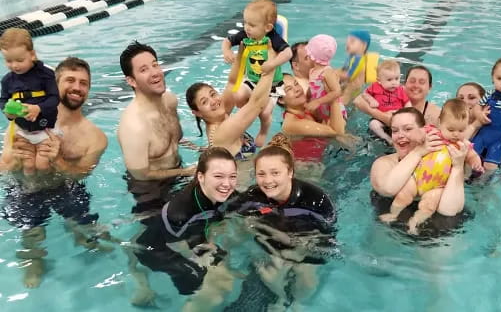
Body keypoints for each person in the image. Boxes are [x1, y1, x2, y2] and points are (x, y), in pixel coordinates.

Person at [0, 57, 110, 288]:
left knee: (88, 234)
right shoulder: (25, 121)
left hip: (65, 187)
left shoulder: (95, 137)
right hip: (26, 187)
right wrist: (18, 158)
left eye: (84, 83)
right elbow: (3, 169)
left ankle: (79, 234)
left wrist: (58, 160)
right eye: (70, 80)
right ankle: (33, 258)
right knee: (32, 237)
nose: (77, 88)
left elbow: (81, 174)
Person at [227, 133, 337, 310]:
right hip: (272, 237)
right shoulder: (253, 196)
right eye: (261, 174)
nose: (268, 181)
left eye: (275, 173)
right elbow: (227, 217)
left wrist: (299, 251)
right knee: (273, 271)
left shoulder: (315, 200)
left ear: (290, 172)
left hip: (306, 240)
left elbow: (328, 239)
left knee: (307, 280)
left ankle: (297, 303)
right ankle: (281, 298)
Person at [130, 147, 239, 310]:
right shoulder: (180, 212)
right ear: (201, 176)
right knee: (209, 292)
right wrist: (211, 265)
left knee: (225, 279)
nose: (227, 184)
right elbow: (180, 247)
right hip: (157, 251)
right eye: (218, 176)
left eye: (232, 177)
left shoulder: (223, 192)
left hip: (187, 238)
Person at [379, 100, 483, 234]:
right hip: (417, 178)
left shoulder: (463, 145)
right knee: (402, 195)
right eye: (451, 129)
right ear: (440, 123)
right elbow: (417, 134)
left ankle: (414, 222)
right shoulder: (432, 133)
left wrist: (476, 162)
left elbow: (473, 156)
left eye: (461, 130)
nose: (456, 134)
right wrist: (416, 136)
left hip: (438, 186)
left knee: (428, 206)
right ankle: (393, 214)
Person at [117, 41, 195, 217]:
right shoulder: (134, 125)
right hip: (150, 191)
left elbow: (174, 139)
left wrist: (198, 149)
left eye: (155, 65)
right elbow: (142, 175)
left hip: (179, 173)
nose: (155, 73)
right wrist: (186, 172)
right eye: (144, 70)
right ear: (131, 81)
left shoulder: (170, 101)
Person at [221, 0, 292, 146]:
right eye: (245, 22)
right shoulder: (246, 34)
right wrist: (226, 51)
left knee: (265, 113)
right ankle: (247, 116)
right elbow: (227, 40)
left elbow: (288, 53)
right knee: (237, 95)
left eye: (252, 25)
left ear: (267, 28)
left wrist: (272, 63)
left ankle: (263, 131)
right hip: (252, 80)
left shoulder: (273, 38)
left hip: (272, 85)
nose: (247, 27)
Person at [0, 28, 60, 175]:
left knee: (42, 164)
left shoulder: (45, 74)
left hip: (46, 129)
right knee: (28, 165)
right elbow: (3, 100)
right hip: (23, 131)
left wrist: (38, 108)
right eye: (8, 61)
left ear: (32, 55)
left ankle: (48, 190)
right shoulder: (7, 80)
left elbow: (55, 98)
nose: (14, 65)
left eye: (20, 60)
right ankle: (30, 191)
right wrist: (8, 113)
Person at [278, 73, 347, 164]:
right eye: (289, 89)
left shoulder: (306, 107)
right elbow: (337, 132)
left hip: (323, 157)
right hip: (306, 172)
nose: (297, 89)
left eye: (296, 84)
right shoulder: (291, 123)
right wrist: (332, 96)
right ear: (281, 100)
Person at [470, 54, 501, 170]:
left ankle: (483, 185)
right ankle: (465, 179)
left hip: (500, 137)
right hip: (484, 133)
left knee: (491, 165)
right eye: (499, 78)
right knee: (470, 157)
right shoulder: (490, 94)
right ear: (493, 78)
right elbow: (478, 106)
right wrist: (479, 114)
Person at [354, 65, 441, 127]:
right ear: (404, 84)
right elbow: (358, 100)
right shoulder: (392, 91)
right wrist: (384, 118)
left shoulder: (435, 114)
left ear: (430, 87)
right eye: (412, 81)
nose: (416, 86)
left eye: (421, 82)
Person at [360, 59, 410, 144]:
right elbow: (364, 94)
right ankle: (387, 138)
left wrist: (407, 113)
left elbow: (407, 103)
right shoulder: (375, 87)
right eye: (389, 80)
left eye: (396, 79)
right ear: (379, 80)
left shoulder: (400, 90)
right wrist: (371, 99)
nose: (394, 83)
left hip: (397, 118)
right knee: (373, 124)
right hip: (380, 119)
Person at [305, 34, 347, 122]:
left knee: (338, 134)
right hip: (323, 111)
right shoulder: (312, 71)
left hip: (335, 112)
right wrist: (307, 97)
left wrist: (318, 101)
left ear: (312, 56)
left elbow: (337, 91)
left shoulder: (327, 72)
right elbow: (312, 87)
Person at [340, 29, 371, 105]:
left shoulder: (358, 59)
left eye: (352, 41)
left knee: (341, 102)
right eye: (347, 41)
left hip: (352, 87)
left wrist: (332, 73)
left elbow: (348, 76)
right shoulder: (354, 56)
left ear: (363, 45)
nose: (348, 44)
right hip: (357, 88)